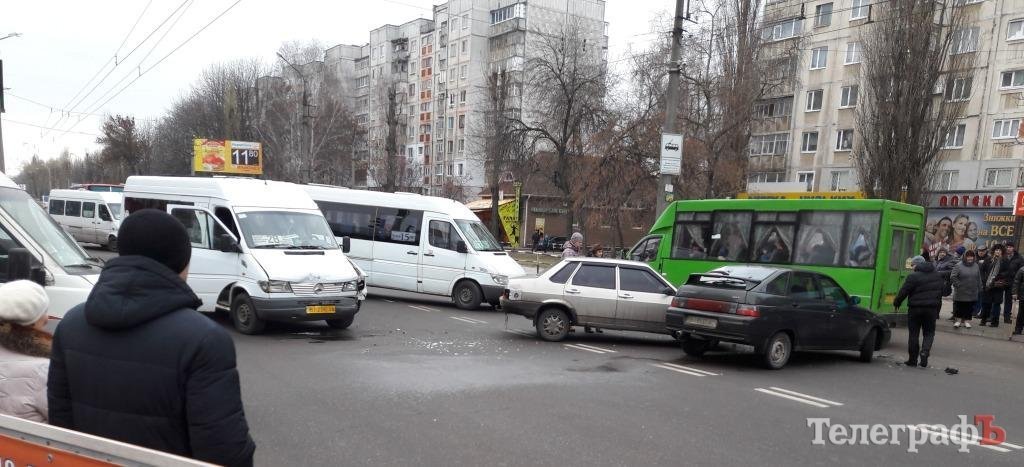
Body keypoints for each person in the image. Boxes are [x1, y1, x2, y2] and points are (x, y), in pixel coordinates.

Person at [48, 209, 256, 466]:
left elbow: (61, 428)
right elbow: (223, 449)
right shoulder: (204, 339)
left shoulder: (70, 325)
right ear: (182, 262)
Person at [0, 280, 51, 423]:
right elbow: (60, 419)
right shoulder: (43, 369)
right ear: (33, 322)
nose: (47, 318)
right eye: (44, 312)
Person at [893, 256, 944, 368]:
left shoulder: (913, 277)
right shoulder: (937, 276)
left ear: (917, 265)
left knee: (913, 334)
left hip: (915, 309)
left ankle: (912, 360)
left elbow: (904, 291)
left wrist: (897, 302)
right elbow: (944, 291)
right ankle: (925, 352)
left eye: (913, 265)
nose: (912, 268)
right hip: (931, 309)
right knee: (929, 333)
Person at [980, 244, 1010, 328]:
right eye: (996, 250)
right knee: (986, 304)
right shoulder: (988, 259)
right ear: (994, 251)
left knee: (996, 305)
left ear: (1002, 252)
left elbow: (1007, 272)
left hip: (997, 286)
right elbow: (982, 270)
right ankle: (983, 320)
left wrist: (997, 277)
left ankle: (994, 322)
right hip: (988, 285)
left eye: (999, 250)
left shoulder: (1005, 260)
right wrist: (984, 280)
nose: (998, 251)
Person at [950, 250, 981, 329]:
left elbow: (978, 277)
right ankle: (958, 321)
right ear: (965, 257)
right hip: (961, 290)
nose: (970, 258)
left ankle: (967, 321)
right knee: (960, 306)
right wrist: (958, 285)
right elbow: (953, 276)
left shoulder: (976, 266)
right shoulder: (958, 265)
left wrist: (980, 287)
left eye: (971, 256)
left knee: (969, 307)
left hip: (972, 290)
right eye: (968, 256)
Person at [1002, 242, 1022, 324]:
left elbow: (1020, 271)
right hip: (1001, 281)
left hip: (1011, 282)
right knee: (996, 299)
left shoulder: (1019, 258)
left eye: (1010, 247)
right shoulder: (1002, 256)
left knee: (1008, 300)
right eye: (1007, 247)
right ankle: (993, 316)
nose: (1008, 248)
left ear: (1013, 248)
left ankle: (1006, 317)